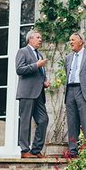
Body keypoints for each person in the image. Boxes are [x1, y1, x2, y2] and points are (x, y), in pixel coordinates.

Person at [16, 30, 50, 158]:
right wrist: (36, 65)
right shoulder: (23, 51)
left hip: (39, 94)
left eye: (41, 37)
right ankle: (25, 150)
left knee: (43, 120)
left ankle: (35, 149)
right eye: (38, 37)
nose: (40, 40)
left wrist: (44, 82)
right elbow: (19, 69)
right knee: (25, 122)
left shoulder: (39, 54)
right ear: (30, 39)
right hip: (26, 93)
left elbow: (39, 74)